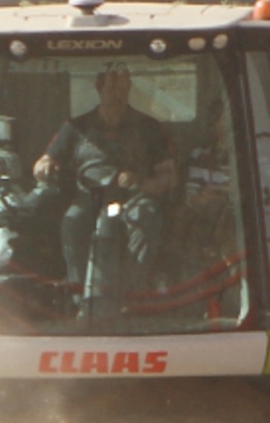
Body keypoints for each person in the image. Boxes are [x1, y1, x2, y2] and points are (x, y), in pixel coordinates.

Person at [37, 65, 179, 313]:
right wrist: (44, 166)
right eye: (112, 87)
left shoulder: (149, 127)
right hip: (87, 199)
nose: (118, 94)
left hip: (135, 198)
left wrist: (142, 184)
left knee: (146, 217)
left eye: (123, 87)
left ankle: (133, 297)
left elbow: (170, 175)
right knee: (72, 222)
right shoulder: (75, 127)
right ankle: (79, 297)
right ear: (99, 87)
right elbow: (46, 160)